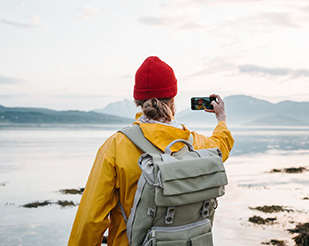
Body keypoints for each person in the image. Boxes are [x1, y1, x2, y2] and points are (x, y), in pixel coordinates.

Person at [68, 56, 234, 246]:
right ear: (173, 98)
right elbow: (221, 147)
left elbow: (90, 219)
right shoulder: (195, 143)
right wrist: (221, 118)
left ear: (137, 100)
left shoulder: (115, 146)